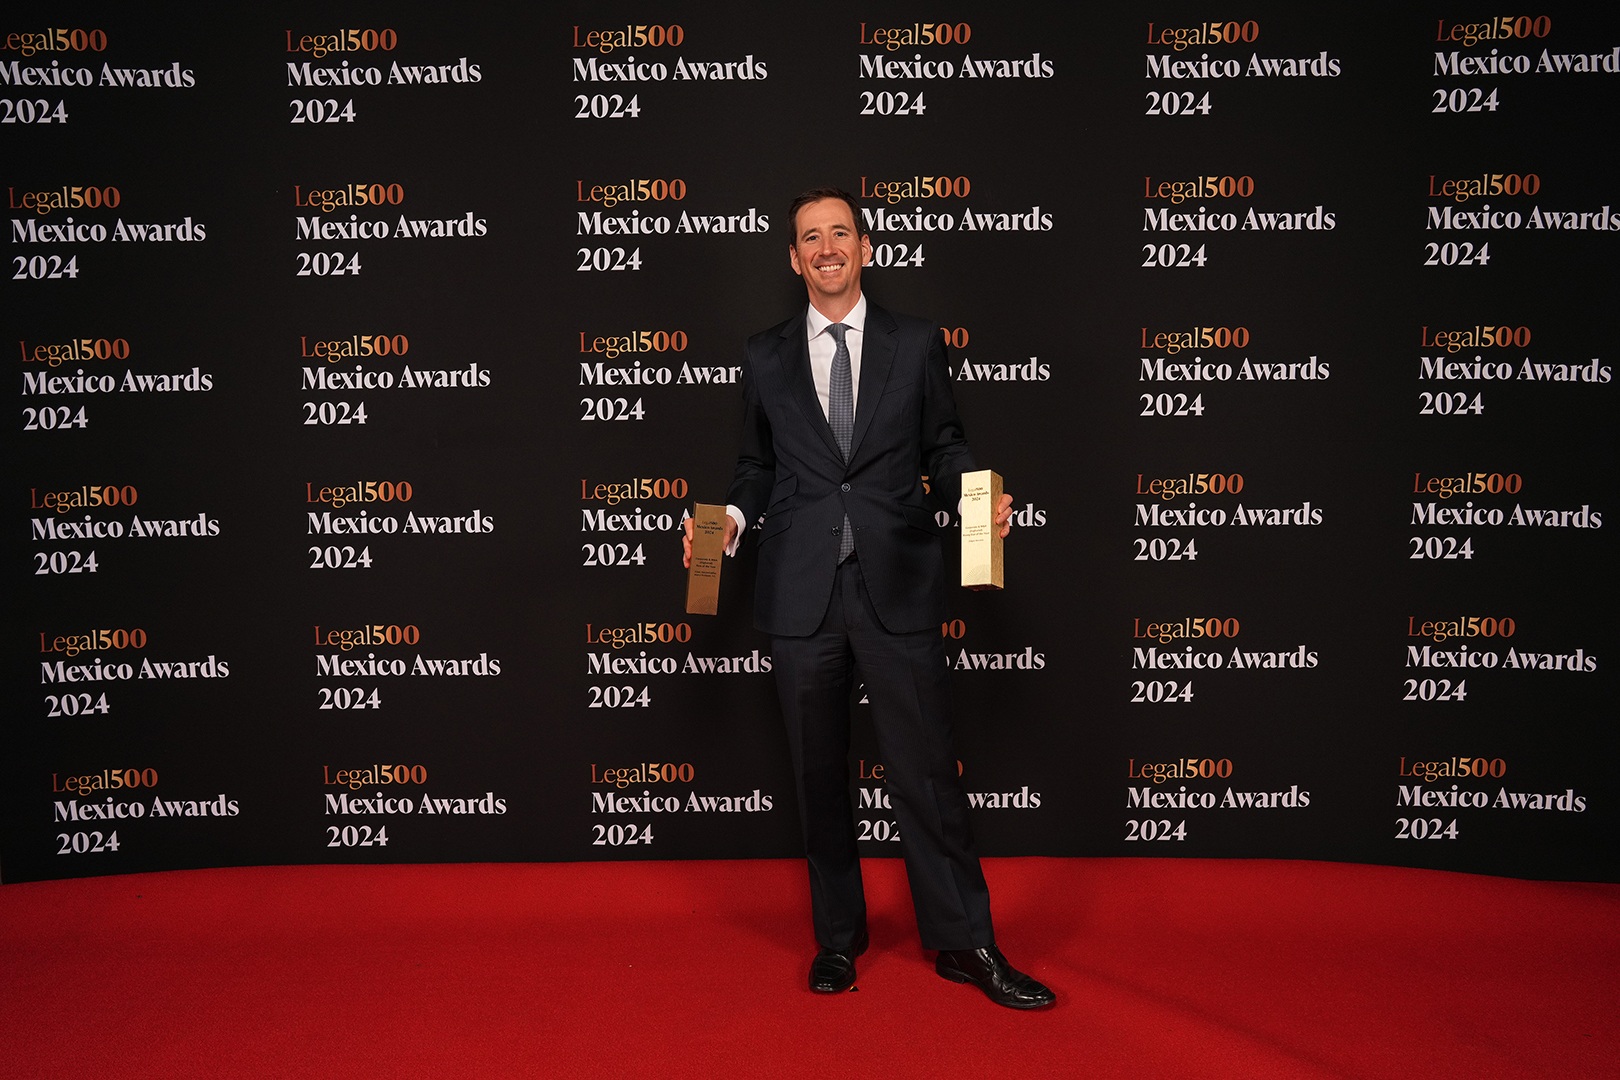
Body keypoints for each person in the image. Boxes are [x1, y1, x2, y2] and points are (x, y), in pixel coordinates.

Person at [683, 187, 1053, 1009]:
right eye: (810, 238)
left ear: (867, 248)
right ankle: (838, 941)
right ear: (793, 259)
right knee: (817, 776)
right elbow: (754, 466)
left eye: (840, 233)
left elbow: (945, 445)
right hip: (800, 590)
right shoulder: (764, 354)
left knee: (927, 774)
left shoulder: (914, 343)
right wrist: (729, 522)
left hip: (898, 582)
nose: (827, 248)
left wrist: (977, 497)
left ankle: (964, 942)